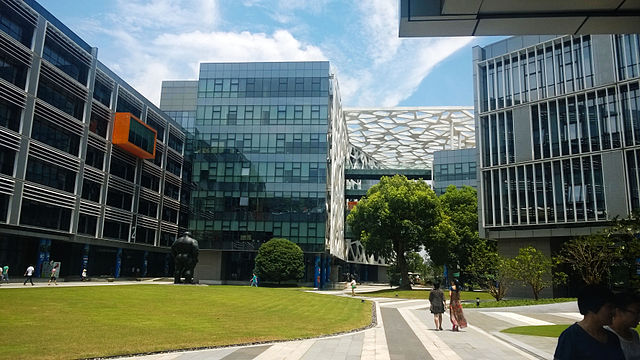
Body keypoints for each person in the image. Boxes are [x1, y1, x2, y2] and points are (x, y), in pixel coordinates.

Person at [554, 284, 625, 360]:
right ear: (593, 307)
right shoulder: (570, 337)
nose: (614, 312)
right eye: (609, 307)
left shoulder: (612, 338)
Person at [605, 291, 640, 360]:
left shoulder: (634, 334)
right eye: (636, 312)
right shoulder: (605, 335)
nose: (639, 317)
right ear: (618, 311)